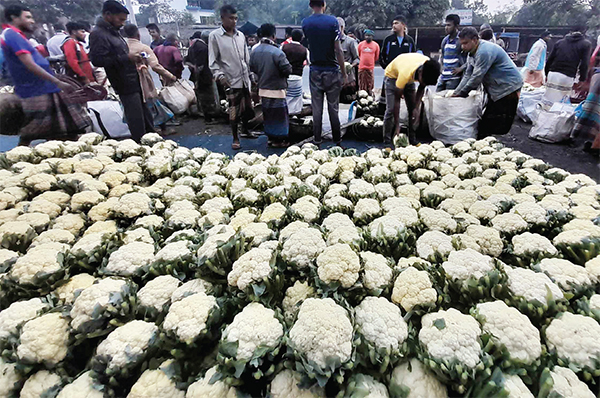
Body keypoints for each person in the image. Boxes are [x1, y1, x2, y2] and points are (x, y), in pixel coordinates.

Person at [1, 4, 89, 145]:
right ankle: (18, 157)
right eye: (27, 17)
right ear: (14, 18)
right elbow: (29, 64)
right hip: (34, 90)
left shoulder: (17, 36)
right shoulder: (11, 35)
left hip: (44, 88)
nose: (32, 21)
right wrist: (57, 82)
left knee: (63, 130)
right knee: (32, 130)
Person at [90, 0, 154, 142]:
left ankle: (152, 141)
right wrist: (126, 58)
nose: (122, 23)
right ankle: (142, 147)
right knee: (135, 119)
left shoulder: (113, 32)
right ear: (108, 15)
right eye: (120, 19)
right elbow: (97, 60)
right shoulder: (98, 34)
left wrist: (133, 59)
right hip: (124, 83)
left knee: (145, 115)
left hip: (133, 79)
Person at [452, 27, 523, 138]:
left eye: (465, 43)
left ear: (475, 40)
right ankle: (487, 139)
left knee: (498, 121)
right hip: (496, 87)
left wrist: (463, 93)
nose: (463, 47)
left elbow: (477, 76)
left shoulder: (484, 51)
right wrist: (456, 92)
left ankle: (495, 144)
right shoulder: (471, 53)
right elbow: (467, 75)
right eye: (461, 44)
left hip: (508, 87)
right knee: (489, 120)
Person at [209, 4, 254, 150]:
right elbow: (213, 60)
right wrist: (220, 75)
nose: (234, 21)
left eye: (236, 18)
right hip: (230, 79)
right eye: (231, 18)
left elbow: (246, 57)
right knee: (233, 111)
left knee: (248, 108)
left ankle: (246, 130)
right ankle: (235, 138)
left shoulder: (241, 35)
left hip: (244, 78)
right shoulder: (215, 36)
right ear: (222, 18)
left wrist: (251, 74)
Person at [302, 0, 347, 147]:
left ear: (310, 6)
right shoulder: (332, 21)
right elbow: (338, 50)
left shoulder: (306, 23)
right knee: (333, 107)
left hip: (315, 70)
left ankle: (317, 140)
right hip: (332, 71)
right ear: (324, 5)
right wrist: (344, 73)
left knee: (317, 108)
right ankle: (337, 140)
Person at [123, 24, 176, 135]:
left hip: (127, 81)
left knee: (136, 107)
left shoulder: (122, 47)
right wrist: (170, 76)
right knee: (153, 103)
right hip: (143, 80)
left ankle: (143, 132)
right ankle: (160, 129)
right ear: (138, 34)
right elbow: (155, 66)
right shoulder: (143, 48)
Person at [250, 23, 293, 147]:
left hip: (263, 89)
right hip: (277, 89)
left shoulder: (255, 51)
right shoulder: (277, 52)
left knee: (268, 114)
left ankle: (270, 138)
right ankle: (279, 140)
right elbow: (287, 69)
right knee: (279, 115)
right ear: (273, 35)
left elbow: (252, 68)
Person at [383, 53, 440, 146]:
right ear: (420, 73)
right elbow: (397, 100)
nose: (423, 83)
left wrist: (416, 108)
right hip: (393, 77)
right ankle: (387, 140)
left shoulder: (429, 68)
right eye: (423, 81)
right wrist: (397, 125)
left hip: (410, 75)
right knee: (391, 109)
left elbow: (421, 88)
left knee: (412, 109)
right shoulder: (405, 74)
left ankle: (412, 139)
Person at [543, 26, 592, 108]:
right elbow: (584, 63)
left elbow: (550, 60)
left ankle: (543, 118)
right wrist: (582, 79)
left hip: (552, 74)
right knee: (560, 105)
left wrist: (546, 74)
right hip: (567, 76)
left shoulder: (559, 42)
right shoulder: (586, 44)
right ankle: (555, 120)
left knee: (548, 101)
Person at [185, 30, 220, 123]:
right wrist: (198, 77)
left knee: (201, 97)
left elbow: (186, 61)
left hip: (197, 77)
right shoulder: (204, 48)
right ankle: (209, 118)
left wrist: (193, 70)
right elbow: (200, 66)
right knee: (208, 97)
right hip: (203, 77)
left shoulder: (192, 47)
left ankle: (205, 115)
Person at [573, 68, 600, 154]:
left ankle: (578, 136)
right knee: (595, 111)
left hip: (597, 76)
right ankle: (592, 144)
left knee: (590, 108)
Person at [437, 14, 466, 92]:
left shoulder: (461, 40)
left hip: (454, 79)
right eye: (445, 25)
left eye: (449, 25)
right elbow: (442, 56)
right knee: (436, 99)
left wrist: (461, 68)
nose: (446, 28)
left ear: (456, 26)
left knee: (450, 101)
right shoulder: (445, 40)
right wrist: (441, 67)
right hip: (443, 77)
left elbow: (471, 59)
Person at [357, 29, 379, 95]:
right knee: (362, 85)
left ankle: (370, 97)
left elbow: (376, 57)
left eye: (369, 36)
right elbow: (358, 54)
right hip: (361, 68)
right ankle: (362, 98)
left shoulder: (376, 45)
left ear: (372, 36)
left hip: (370, 68)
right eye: (366, 35)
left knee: (370, 85)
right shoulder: (360, 44)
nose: (367, 37)